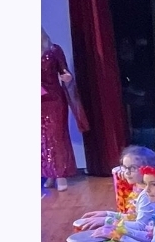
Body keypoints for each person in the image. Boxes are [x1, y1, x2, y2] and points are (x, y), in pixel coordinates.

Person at [41, 28, 85, 191]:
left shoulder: (54, 50)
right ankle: (49, 174)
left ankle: (60, 175)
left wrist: (67, 77)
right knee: (43, 139)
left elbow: (65, 71)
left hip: (54, 100)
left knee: (57, 138)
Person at [76, 145, 155, 229]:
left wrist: (107, 221)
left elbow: (141, 226)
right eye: (125, 167)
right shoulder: (138, 186)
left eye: (133, 168)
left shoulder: (147, 195)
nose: (127, 172)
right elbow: (132, 217)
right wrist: (107, 214)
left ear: (148, 169)